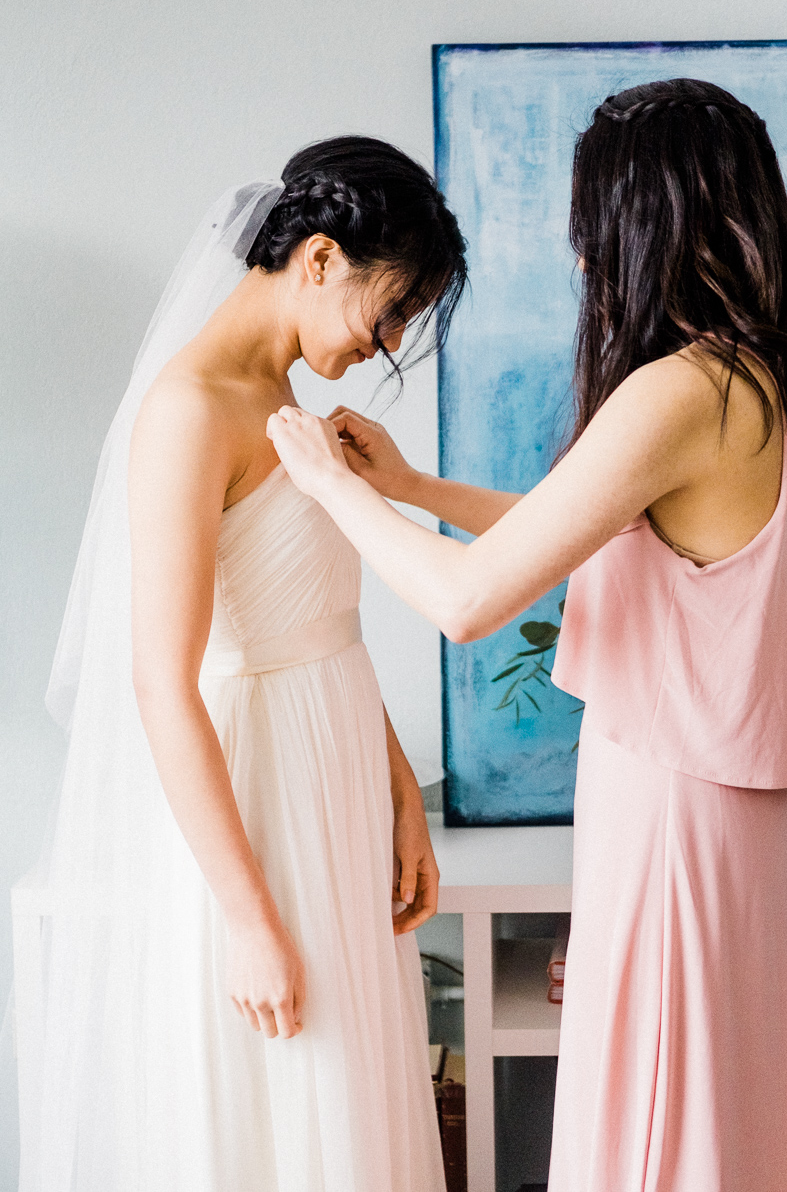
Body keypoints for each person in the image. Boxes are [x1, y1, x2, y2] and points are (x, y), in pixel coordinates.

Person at [267, 80, 787, 1192]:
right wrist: (412, 483)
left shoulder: (681, 390)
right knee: (711, 1112)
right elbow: (598, 531)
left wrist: (334, 491)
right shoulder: (737, 377)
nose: (584, 259)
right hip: (705, 812)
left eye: (593, 228)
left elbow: (467, 600)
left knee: (665, 1115)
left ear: (645, 225)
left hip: (675, 812)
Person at [25, 137, 466, 1192]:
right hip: (256, 804)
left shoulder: (290, 403)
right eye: (392, 308)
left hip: (335, 780)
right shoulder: (188, 411)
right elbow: (158, 683)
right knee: (286, 1105)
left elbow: (322, 619)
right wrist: (249, 918)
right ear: (319, 260)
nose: (390, 341)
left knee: (351, 1107)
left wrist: (400, 788)